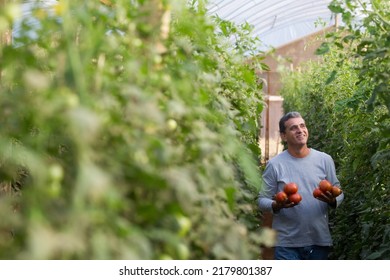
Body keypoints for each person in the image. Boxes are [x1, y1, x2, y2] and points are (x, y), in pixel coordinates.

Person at [258, 111, 344, 260]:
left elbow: (338, 190)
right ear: (284, 136)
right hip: (286, 243)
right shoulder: (275, 164)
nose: (300, 130)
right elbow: (261, 200)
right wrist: (276, 205)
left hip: (319, 240)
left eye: (302, 126)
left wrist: (333, 200)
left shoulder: (324, 160)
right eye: (293, 128)